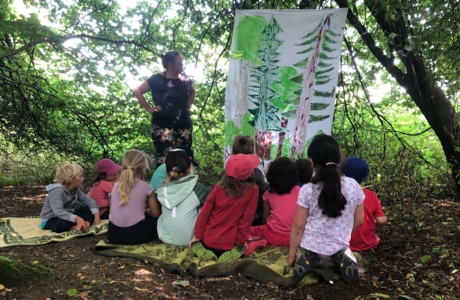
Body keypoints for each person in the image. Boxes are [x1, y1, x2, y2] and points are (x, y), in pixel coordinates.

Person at [287, 134, 365, 284]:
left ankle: (309, 257)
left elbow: (298, 225)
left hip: (309, 245)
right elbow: (359, 220)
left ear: (311, 162)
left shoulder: (308, 189)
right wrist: (342, 233)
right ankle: (342, 258)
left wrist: (291, 255)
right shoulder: (353, 185)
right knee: (345, 253)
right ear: (339, 160)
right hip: (339, 245)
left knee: (308, 248)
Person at [190, 154, 260, 262]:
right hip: (230, 245)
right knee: (257, 242)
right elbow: (247, 219)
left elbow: (205, 212)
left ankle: (205, 252)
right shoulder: (253, 190)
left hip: (208, 241)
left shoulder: (219, 187)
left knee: (199, 245)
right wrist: (240, 242)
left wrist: (198, 235)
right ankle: (232, 255)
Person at [133, 50, 196, 166]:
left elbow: (192, 92)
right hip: (163, 127)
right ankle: (164, 184)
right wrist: (149, 109)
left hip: (184, 125)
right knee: (165, 160)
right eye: (180, 63)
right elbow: (138, 91)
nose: (183, 65)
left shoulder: (185, 80)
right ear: (171, 65)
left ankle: (183, 183)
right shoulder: (157, 79)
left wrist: (188, 105)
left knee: (184, 159)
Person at [244, 157, 302, 256]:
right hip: (296, 238)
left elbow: (265, 218)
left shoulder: (269, 193)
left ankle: (255, 241)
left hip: (272, 236)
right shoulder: (302, 191)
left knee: (246, 230)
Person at [340, 157, 387, 272]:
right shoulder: (371, 195)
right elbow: (381, 220)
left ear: (342, 173)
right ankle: (358, 266)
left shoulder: (337, 193)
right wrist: (377, 227)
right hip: (364, 245)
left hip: (341, 243)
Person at [156, 149, 211, 246]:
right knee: (206, 206)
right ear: (190, 168)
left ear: (166, 171)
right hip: (191, 239)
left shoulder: (161, 190)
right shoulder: (196, 188)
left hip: (165, 237)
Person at [108, 149, 161, 245]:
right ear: (144, 169)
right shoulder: (146, 187)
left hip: (113, 234)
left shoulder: (115, 186)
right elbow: (156, 213)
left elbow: (112, 210)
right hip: (136, 236)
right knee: (156, 219)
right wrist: (145, 211)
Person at [40, 164, 101, 233]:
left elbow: (90, 201)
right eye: (80, 176)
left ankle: (84, 224)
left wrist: (96, 215)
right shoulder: (57, 191)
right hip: (52, 219)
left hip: (69, 215)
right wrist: (77, 218)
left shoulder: (75, 190)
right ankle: (75, 226)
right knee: (61, 224)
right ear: (70, 179)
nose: (83, 179)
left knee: (88, 210)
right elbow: (58, 212)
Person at [222, 135, 266, 226]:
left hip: (227, 219)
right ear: (252, 152)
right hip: (252, 221)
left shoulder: (224, 174)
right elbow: (262, 200)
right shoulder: (257, 174)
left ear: (233, 152)